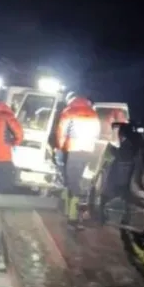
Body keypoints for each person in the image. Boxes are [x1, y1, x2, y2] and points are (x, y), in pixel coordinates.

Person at [56, 96, 101, 228]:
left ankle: (72, 217)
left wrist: (60, 148)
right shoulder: (93, 113)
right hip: (88, 150)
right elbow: (97, 134)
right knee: (78, 179)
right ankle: (69, 209)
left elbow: (61, 132)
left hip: (74, 149)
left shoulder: (69, 111)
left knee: (72, 180)